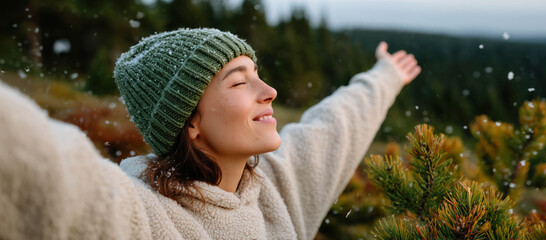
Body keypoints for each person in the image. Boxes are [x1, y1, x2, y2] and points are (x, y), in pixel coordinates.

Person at [0, 28, 420, 239]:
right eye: (240, 83)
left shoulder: (275, 187)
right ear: (190, 122)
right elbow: (47, 168)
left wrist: (384, 76)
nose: (269, 92)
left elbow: (335, 126)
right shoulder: (143, 215)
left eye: (259, 76)